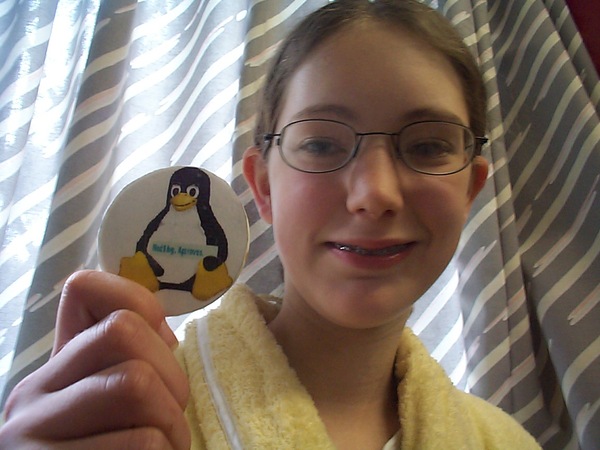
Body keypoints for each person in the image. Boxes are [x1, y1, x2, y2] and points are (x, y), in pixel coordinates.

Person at [0, 1, 542, 448]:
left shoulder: (504, 441)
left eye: (426, 146)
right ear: (263, 189)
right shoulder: (126, 415)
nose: (375, 194)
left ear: (470, 188)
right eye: (323, 143)